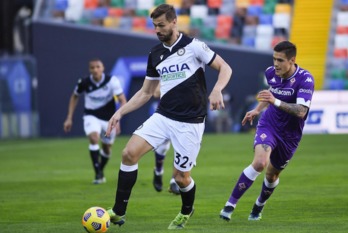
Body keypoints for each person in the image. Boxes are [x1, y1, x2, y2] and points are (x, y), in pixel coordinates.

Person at [105, 4, 232, 230]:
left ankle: (186, 211)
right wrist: (119, 112)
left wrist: (217, 89)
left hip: (190, 122)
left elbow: (225, 68)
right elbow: (146, 92)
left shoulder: (194, 46)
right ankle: (118, 212)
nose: (157, 30)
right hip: (163, 116)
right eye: (154, 26)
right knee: (128, 154)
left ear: (174, 22)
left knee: (182, 178)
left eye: (161, 25)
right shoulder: (155, 53)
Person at [219, 41, 314, 221]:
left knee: (272, 175)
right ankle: (229, 205)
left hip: (290, 134)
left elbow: (301, 112)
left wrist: (274, 101)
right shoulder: (271, 73)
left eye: (280, 60)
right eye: (273, 59)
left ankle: (259, 205)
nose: (275, 64)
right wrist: (257, 109)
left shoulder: (305, 79)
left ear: (292, 60)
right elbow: (272, 93)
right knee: (260, 163)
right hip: (269, 124)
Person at [63, 58, 127, 184]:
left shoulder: (112, 81)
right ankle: (98, 173)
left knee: (107, 148)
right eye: (92, 67)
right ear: (89, 70)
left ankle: (100, 171)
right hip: (91, 115)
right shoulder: (84, 82)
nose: (95, 70)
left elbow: (122, 100)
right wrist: (69, 117)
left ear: (102, 68)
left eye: (98, 67)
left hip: (109, 119)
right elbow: (74, 96)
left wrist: (118, 119)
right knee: (93, 138)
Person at [151, 84, 180, 195]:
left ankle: (174, 181)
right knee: (162, 149)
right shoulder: (167, 72)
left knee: (180, 150)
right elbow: (156, 93)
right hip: (165, 115)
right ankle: (158, 171)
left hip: (184, 117)